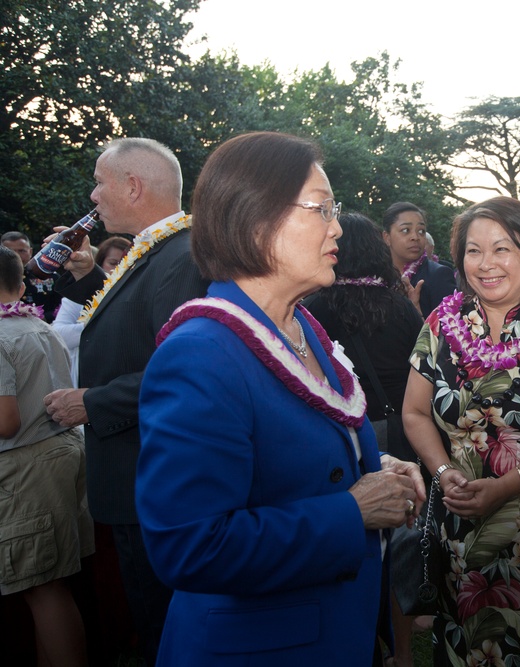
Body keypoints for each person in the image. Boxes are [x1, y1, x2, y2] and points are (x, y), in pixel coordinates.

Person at [135, 131, 424, 665]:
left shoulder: (301, 326)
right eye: (322, 208)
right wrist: (351, 512)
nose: (337, 226)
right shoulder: (201, 353)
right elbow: (190, 546)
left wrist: (374, 465)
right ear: (255, 219)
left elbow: (288, 458)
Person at [42, 137, 210, 665]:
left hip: (152, 473)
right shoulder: (158, 251)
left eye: (99, 181)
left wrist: (94, 401)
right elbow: (134, 327)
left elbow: (186, 367)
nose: (92, 195)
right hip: (138, 471)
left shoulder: (181, 257)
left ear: (133, 187)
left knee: (165, 625)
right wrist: (87, 276)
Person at [402, 196, 520, 665]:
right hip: (456, 523)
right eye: (473, 250)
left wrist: (508, 485)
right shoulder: (442, 323)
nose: (486, 264)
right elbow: (416, 413)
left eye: (503, 249)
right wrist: (443, 473)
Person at [303, 212, 426, 666]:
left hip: (350, 437)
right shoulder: (400, 307)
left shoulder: (313, 310)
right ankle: (405, 652)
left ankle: (362, 645)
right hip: (403, 433)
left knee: (355, 544)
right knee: (400, 549)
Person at [1, 245, 94, 667]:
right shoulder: (34, 326)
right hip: (62, 452)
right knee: (52, 586)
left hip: (27, 469)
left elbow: (6, 421)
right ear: (21, 286)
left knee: (43, 589)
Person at [51, 236, 131, 386]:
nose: (119, 268)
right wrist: (103, 324)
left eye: (124, 262)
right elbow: (59, 334)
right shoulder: (79, 295)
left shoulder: (136, 292)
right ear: (99, 264)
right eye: (113, 263)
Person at [383, 202, 456, 317]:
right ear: (387, 238)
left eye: (421, 231)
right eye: (406, 230)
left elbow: (447, 331)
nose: (415, 237)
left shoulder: (438, 275)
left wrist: (416, 314)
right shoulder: (375, 274)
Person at [1, 230, 62, 323]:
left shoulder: (50, 277)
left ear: (30, 251)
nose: (16, 255)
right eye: (10, 251)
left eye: (21, 251)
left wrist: (42, 318)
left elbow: (62, 307)